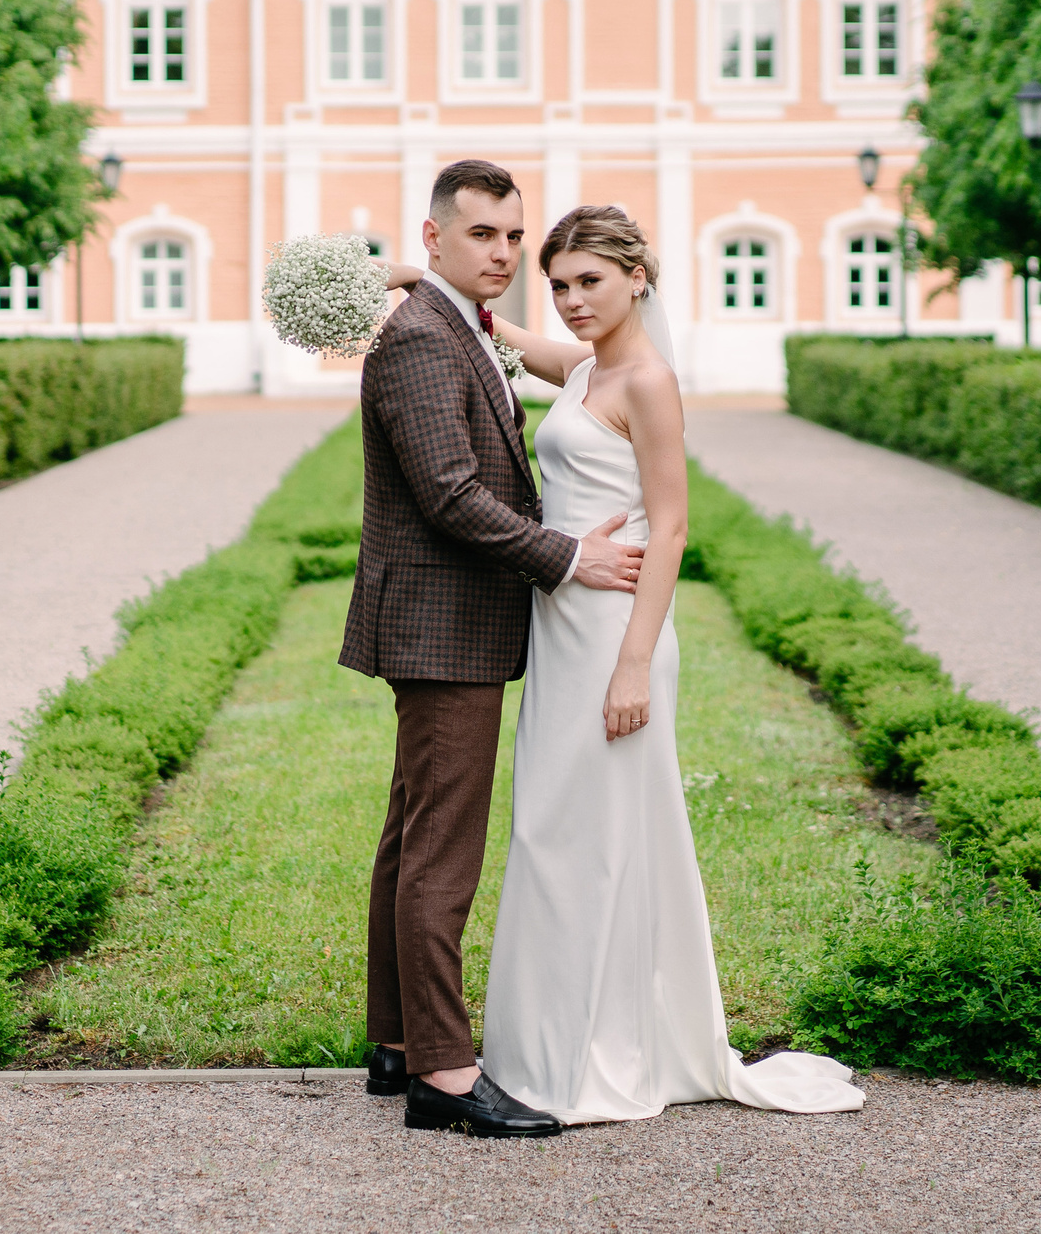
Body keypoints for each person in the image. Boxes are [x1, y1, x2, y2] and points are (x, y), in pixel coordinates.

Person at [468, 205, 865, 1124]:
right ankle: (548, 1044)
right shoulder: (587, 366)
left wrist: (634, 665)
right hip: (563, 626)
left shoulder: (646, 380)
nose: (571, 299)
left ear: (637, 277)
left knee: (603, 839)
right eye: (558, 284)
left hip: (617, 633)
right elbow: (518, 342)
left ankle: (603, 1053)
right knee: (551, 832)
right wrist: (428, 286)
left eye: (590, 281)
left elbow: (674, 526)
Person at [341, 160, 645, 1139]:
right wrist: (568, 557)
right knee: (442, 852)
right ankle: (443, 1072)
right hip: (443, 627)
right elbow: (450, 495)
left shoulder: (452, 321)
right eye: (482, 234)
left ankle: (397, 1042)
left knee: (411, 835)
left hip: (447, 621)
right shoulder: (422, 339)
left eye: (514, 235)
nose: (506, 253)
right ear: (435, 237)